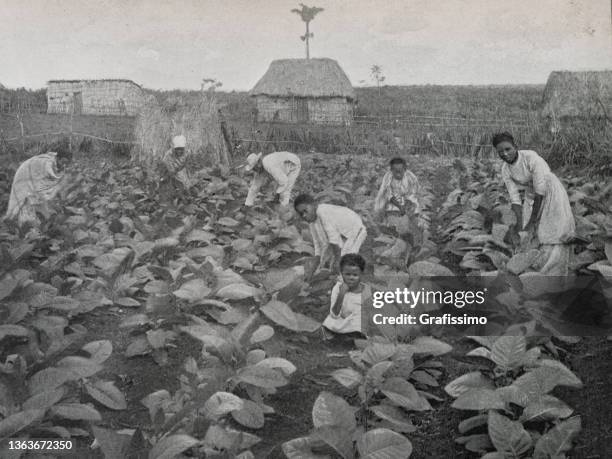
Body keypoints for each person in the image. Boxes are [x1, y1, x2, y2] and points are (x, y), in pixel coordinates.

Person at [492, 132, 576, 275]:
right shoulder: (505, 170)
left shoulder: (530, 158)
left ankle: (554, 265)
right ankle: (535, 261)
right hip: (531, 193)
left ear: (515, 147)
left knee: (553, 229)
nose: (505, 154)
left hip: (550, 191)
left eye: (508, 149)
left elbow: (540, 191)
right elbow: (515, 199)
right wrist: (520, 226)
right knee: (528, 232)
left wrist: (531, 222)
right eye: (500, 152)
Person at [294, 194, 367, 272]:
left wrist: (338, 260)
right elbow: (317, 244)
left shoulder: (323, 212)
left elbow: (334, 239)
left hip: (355, 231)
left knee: (344, 264)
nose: (304, 215)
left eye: (305, 211)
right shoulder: (312, 222)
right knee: (327, 264)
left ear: (314, 205)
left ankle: (347, 279)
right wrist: (315, 264)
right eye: (301, 213)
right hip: (342, 236)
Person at [5, 145, 72, 231]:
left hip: (33, 179)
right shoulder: (47, 163)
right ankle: (25, 229)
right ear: (58, 158)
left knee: (40, 204)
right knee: (24, 203)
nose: (65, 164)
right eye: (63, 161)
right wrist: (59, 183)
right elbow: (51, 178)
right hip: (24, 179)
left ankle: (36, 227)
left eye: (67, 162)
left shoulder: (54, 162)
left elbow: (51, 180)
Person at [322, 254, 372, 337]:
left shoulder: (366, 290)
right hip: (341, 319)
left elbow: (369, 313)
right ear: (342, 274)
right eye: (347, 274)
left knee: (359, 321)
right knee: (330, 321)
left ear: (361, 275)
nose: (351, 278)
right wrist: (341, 293)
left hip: (356, 321)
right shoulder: (338, 287)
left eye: (355, 275)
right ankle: (343, 336)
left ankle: (351, 336)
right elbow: (334, 314)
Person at [374, 157, 421, 224]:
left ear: (405, 169)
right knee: (391, 217)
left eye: (400, 171)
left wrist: (405, 206)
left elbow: (413, 192)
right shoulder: (388, 177)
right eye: (396, 172)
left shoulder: (411, 177)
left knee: (413, 216)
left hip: (408, 201)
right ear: (391, 170)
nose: (398, 174)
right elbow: (387, 193)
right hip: (393, 201)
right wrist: (399, 206)